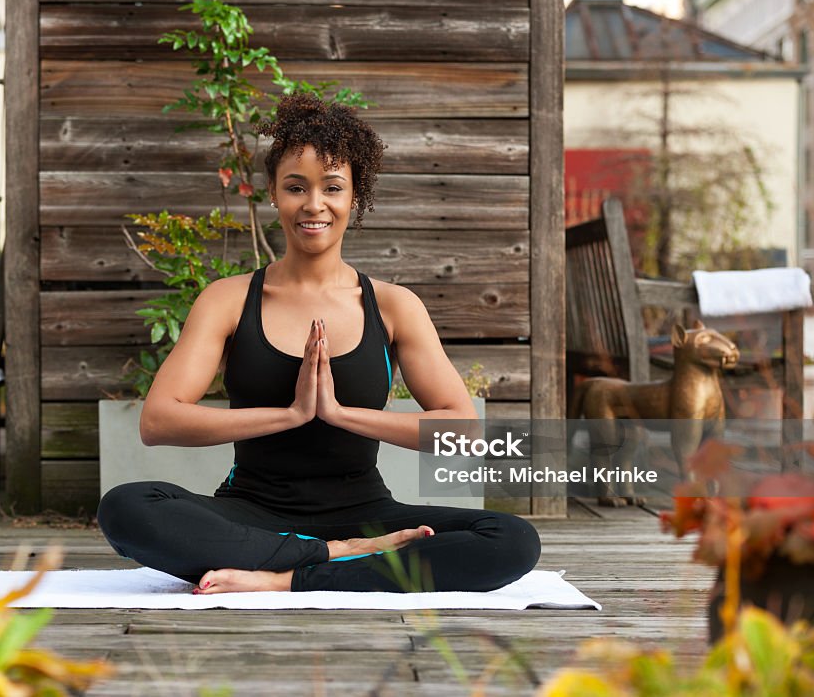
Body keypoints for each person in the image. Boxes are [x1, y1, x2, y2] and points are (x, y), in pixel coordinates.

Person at [97, 93, 541, 594]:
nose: (314, 205)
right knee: (126, 506)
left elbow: (463, 430)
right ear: (273, 192)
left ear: (355, 196)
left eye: (332, 187)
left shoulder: (394, 306)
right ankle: (329, 559)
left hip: (367, 514)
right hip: (252, 512)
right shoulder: (228, 299)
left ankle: (285, 578)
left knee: (512, 538)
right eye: (295, 187)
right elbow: (159, 421)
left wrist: (340, 414)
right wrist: (289, 414)